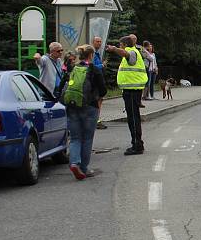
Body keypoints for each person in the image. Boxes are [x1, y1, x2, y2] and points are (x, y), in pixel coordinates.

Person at [56, 45, 107, 180]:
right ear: (91, 55)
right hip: (90, 107)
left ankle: (74, 163)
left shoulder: (72, 68)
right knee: (87, 138)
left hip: (72, 107)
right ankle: (84, 168)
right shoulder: (94, 69)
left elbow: (60, 87)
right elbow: (103, 91)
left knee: (75, 138)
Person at [106, 35, 148, 155]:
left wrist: (114, 49)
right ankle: (137, 143)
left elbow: (128, 56)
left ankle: (137, 145)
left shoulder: (131, 52)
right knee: (133, 117)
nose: (120, 47)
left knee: (133, 118)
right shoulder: (131, 52)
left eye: (120, 45)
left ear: (124, 45)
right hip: (131, 90)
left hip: (132, 90)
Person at [92, 36, 108, 130]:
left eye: (100, 42)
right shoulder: (93, 54)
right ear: (93, 42)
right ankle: (96, 120)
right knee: (97, 100)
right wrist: (102, 65)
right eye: (97, 41)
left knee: (100, 99)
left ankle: (97, 119)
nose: (99, 43)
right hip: (95, 81)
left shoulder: (97, 53)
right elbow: (92, 67)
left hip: (99, 80)